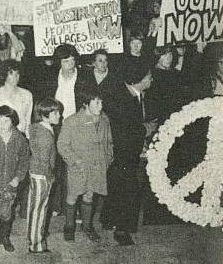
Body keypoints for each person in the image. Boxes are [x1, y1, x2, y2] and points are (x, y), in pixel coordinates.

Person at [103, 63, 152, 246]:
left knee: (120, 186)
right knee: (128, 188)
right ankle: (122, 230)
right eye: (148, 77)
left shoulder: (134, 94)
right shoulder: (123, 98)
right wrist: (145, 130)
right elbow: (124, 128)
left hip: (128, 151)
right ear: (141, 81)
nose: (150, 80)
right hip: (124, 152)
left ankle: (110, 221)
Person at [57, 89, 113, 242]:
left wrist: (107, 159)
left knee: (90, 195)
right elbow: (62, 145)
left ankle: (87, 226)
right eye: (96, 102)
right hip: (79, 166)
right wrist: (75, 160)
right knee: (73, 196)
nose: (100, 106)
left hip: (97, 166)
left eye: (101, 102)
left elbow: (109, 143)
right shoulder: (72, 121)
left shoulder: (104, 120)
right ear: (85, 103)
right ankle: (69, 227)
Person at [0, 105, 29, 254]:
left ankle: (4, 237)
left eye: (6, 121)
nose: (2, 125)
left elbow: (24, 160)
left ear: (13, 121)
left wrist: (18, 177)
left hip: (10, 184)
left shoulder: (20, 139)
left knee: (6, 212)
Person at [27, 98, 62, 253]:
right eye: (56, 112)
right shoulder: (45, 135)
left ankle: (34, 237)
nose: (59, 115)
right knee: (39, 210)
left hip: (36, 173)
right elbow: (43, 161)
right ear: (46, 114)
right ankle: (36, 244)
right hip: (42, 175)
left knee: (35, 208)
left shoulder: (38, 128)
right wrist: (50, 176)